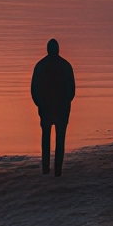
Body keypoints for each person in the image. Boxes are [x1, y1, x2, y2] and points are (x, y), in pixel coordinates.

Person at [30, 39, 76, 177]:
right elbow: (72, 90)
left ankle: (46, 169)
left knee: (46, 137)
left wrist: (40, 104)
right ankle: (57, 170)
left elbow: (34, 90)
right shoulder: (66, 65)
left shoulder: (40, 65)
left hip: (47, 107)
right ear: (58, 49)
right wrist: (65, 102)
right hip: (60, 108)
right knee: (60, 139)